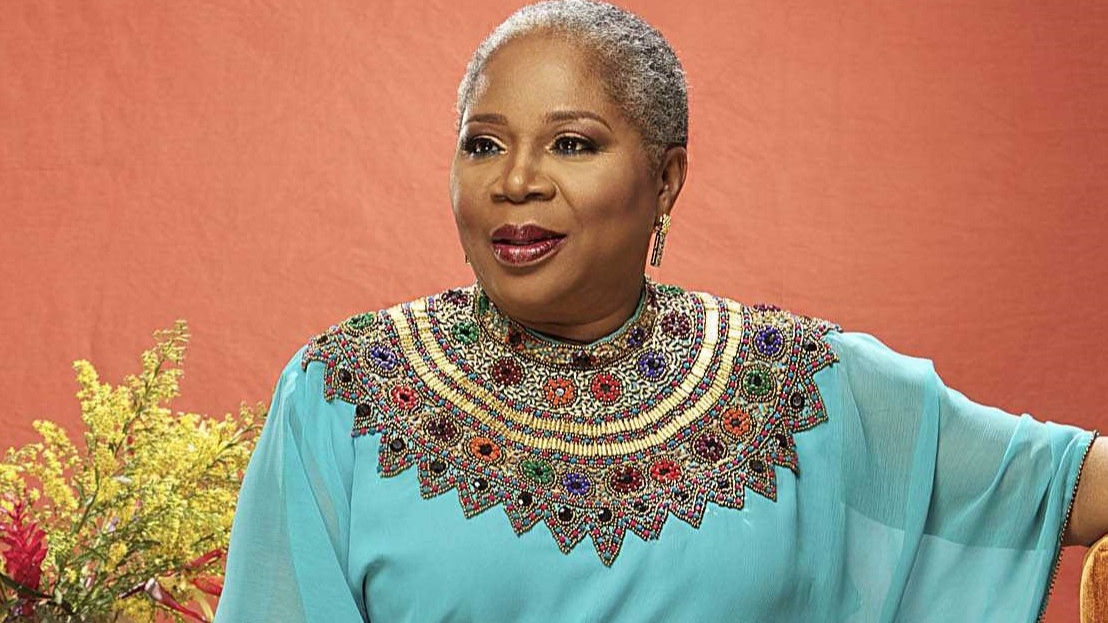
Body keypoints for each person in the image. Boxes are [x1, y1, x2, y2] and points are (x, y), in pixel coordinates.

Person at [214, 1, 1106, 621]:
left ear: (666, 180)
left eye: (572, 143)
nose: (516, 180)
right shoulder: (347, 393)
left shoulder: (794, 387)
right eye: (483, 144)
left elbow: (1067, 484)